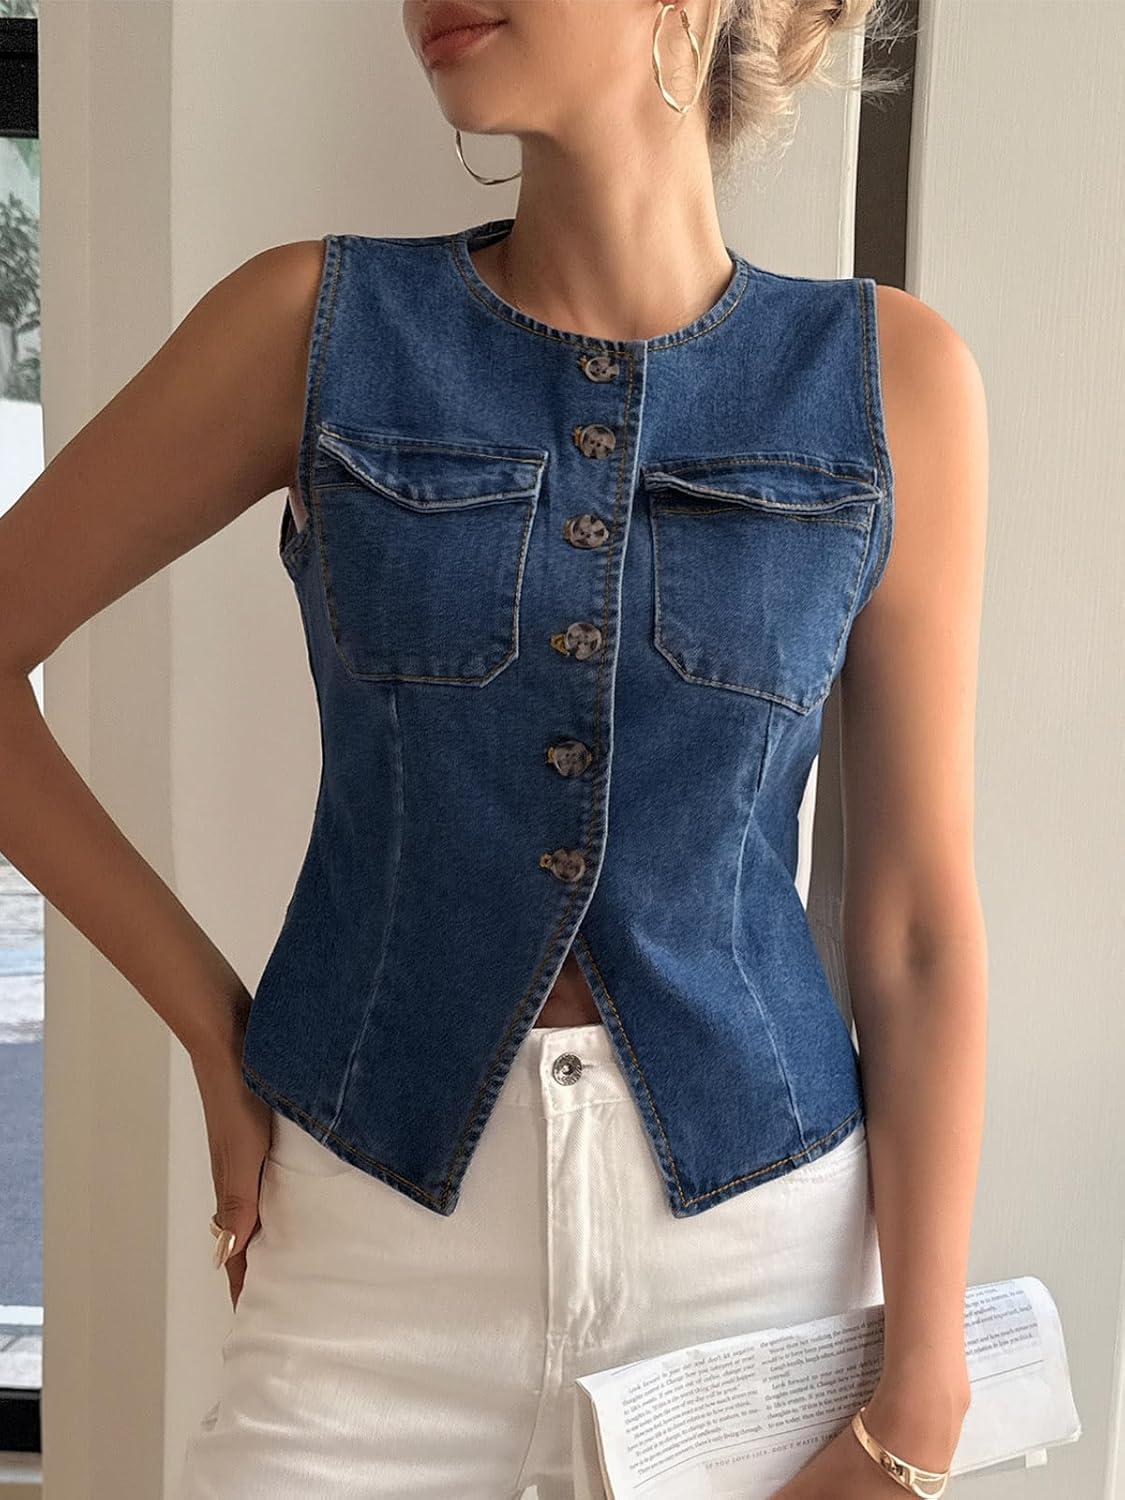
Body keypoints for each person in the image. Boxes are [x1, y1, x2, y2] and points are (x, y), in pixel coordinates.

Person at [0, 0, 989, 1495]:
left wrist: (923, 1384)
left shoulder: (885, 378)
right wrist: (212, 1028)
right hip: (369, 1252)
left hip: (759, 1260)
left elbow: (913, 926)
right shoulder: (313, 328)